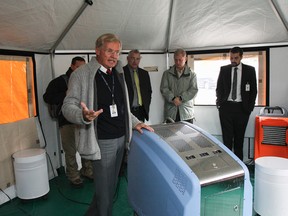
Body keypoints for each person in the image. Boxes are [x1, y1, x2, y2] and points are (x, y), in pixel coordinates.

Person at [61, 33, 154, 216]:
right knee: (105, 195)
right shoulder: (82, 74)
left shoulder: (118, 73)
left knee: (109, 188)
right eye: (109, 51)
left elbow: (122, 107)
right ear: (97, 51)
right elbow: (67, 106)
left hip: (122, 138)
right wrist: (83, 115)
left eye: (117, 52)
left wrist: (136, 123)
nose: (114, 56)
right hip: (102, 142)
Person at [43, 56, 93, 188]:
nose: (81, 69)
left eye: (83, 67)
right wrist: (65, 94)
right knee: (70, 150)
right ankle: (74, 176)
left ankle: (87, 170)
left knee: (85, 147)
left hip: (82, 120)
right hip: (66, 121)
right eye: (78, 67)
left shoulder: (86, 80)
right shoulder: (60, 81)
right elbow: (47, 97)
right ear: (72, 66)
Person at [216, 46, 257, 161]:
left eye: (236, 58)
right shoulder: (224, 70)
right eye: (231, 58)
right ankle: (228, 165)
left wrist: (249, 108)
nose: (233, 60)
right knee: (227, 139)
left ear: (241, 57)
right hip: (226, 108)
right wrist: (219, 103)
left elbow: (254, 91)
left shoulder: (250, 70)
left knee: (239, 139)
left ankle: (239, 166)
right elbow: (219, 88)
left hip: (242, 109)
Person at [160, 48, 198, 123]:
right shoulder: (167, 74)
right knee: (170, 134)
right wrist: (173, 98)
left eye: (180, 60)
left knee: (187, 135)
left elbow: (193, 90)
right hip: (171, 112)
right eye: (176, 60)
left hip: (186, 113)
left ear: (186, 59)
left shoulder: (192, 74)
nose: (177, 62)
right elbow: (164, 89)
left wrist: (181, 98)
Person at [123, 49, 152, 122]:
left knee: (140, 132)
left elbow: (148, 91)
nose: (135, 61)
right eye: (132, 58)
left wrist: (146, 105)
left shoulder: (144, 74)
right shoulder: (121, 73)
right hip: (127, 110)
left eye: (137, 59)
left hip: (141, 111)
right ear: (127, 58)